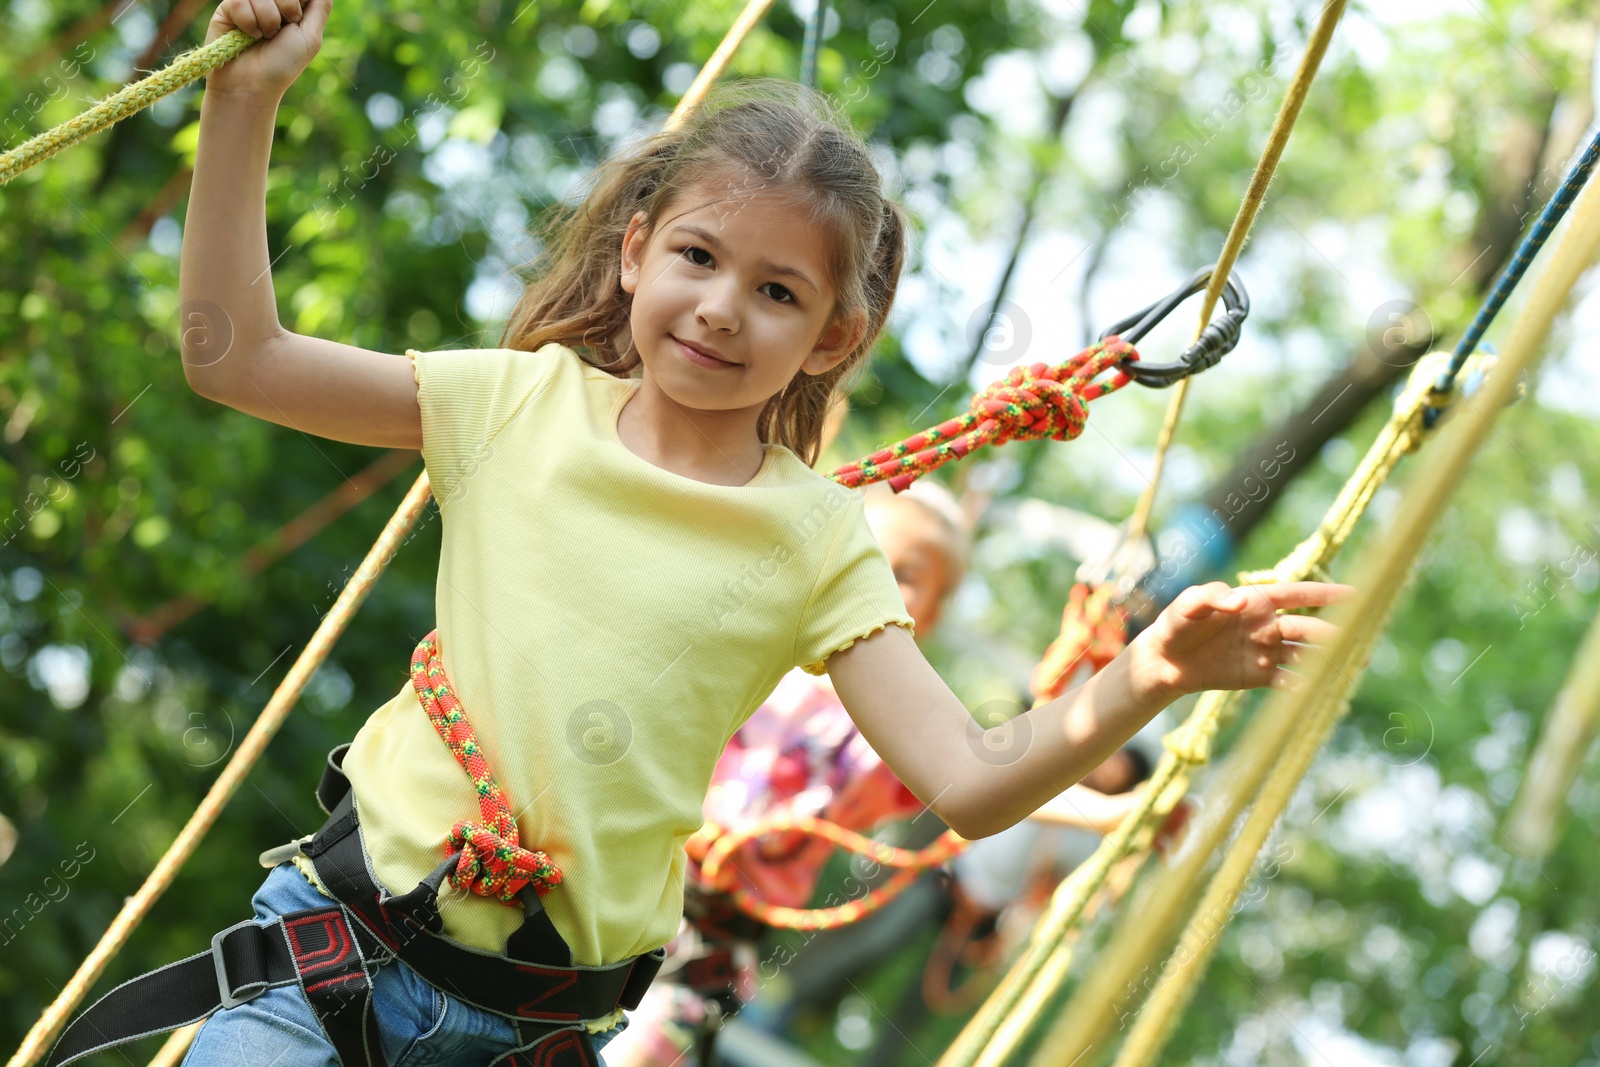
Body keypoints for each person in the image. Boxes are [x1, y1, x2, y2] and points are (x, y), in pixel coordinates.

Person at [48, 2, 1351, 1065]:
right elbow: (239, 358)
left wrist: (1156, 670)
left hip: (534, 1032)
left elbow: (964, 770)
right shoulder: (516, 403)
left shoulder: (818, 536)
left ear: (831, 336)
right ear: (634, 253)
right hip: (335, 952)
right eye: (700, 258)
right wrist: (246, 98)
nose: (724, 308)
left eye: (777, 290)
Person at [603, 480, 1165, 1067]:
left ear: (932, 612)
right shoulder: (759, 649)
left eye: (906, 575)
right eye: (864, 561)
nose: (875, 583)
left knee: (637, 1056)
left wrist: (1106, 811)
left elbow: (978, 771)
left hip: (717, 938)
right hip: (634, 875)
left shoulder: (895, 728)